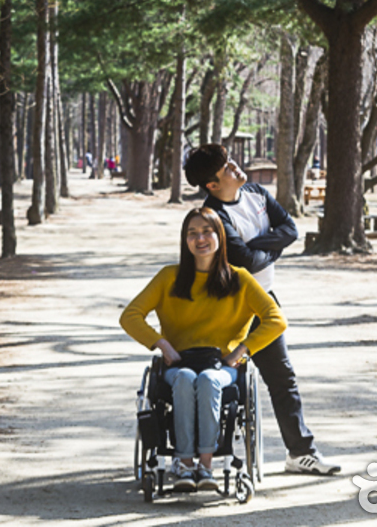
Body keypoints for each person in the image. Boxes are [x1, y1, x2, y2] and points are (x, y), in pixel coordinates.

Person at [184, 144, 341, 476]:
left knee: (283, 379)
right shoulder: (213, 217)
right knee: (215, 381)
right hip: (228, 308)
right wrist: (269, 247)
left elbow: (290, 231)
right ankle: (194, 458)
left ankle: (300, 453)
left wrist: (258, 248)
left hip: (264, 301)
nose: (236, 167)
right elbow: (245, 260)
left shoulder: (255, 192)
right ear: (212, 185)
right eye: (227, 167)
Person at [120, 207, 286, 492]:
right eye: (192, 233)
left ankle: (206, 466)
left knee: (208, 380)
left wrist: (241, 351)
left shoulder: (240, 279)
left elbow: (276, 320)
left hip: (221, 366)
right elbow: (130, 316)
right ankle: (184, 464)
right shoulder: (168, 277)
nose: (200, 239)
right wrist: (162, 344)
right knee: (186, 379)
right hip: (178, 364)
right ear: (185, 240)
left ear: (220, 235)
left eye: (207, 231)